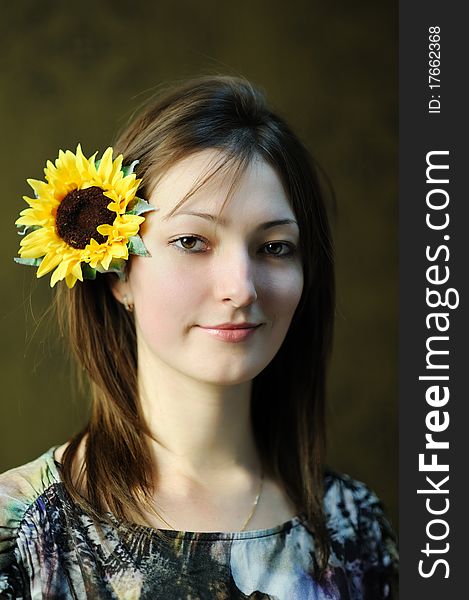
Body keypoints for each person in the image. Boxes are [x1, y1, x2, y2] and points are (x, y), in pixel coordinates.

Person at [0, 75, 398, 599]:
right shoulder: (25, 533)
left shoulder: (354, 531)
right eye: (192, 241)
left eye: (275, 247)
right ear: (117, 272)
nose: (240, 288)